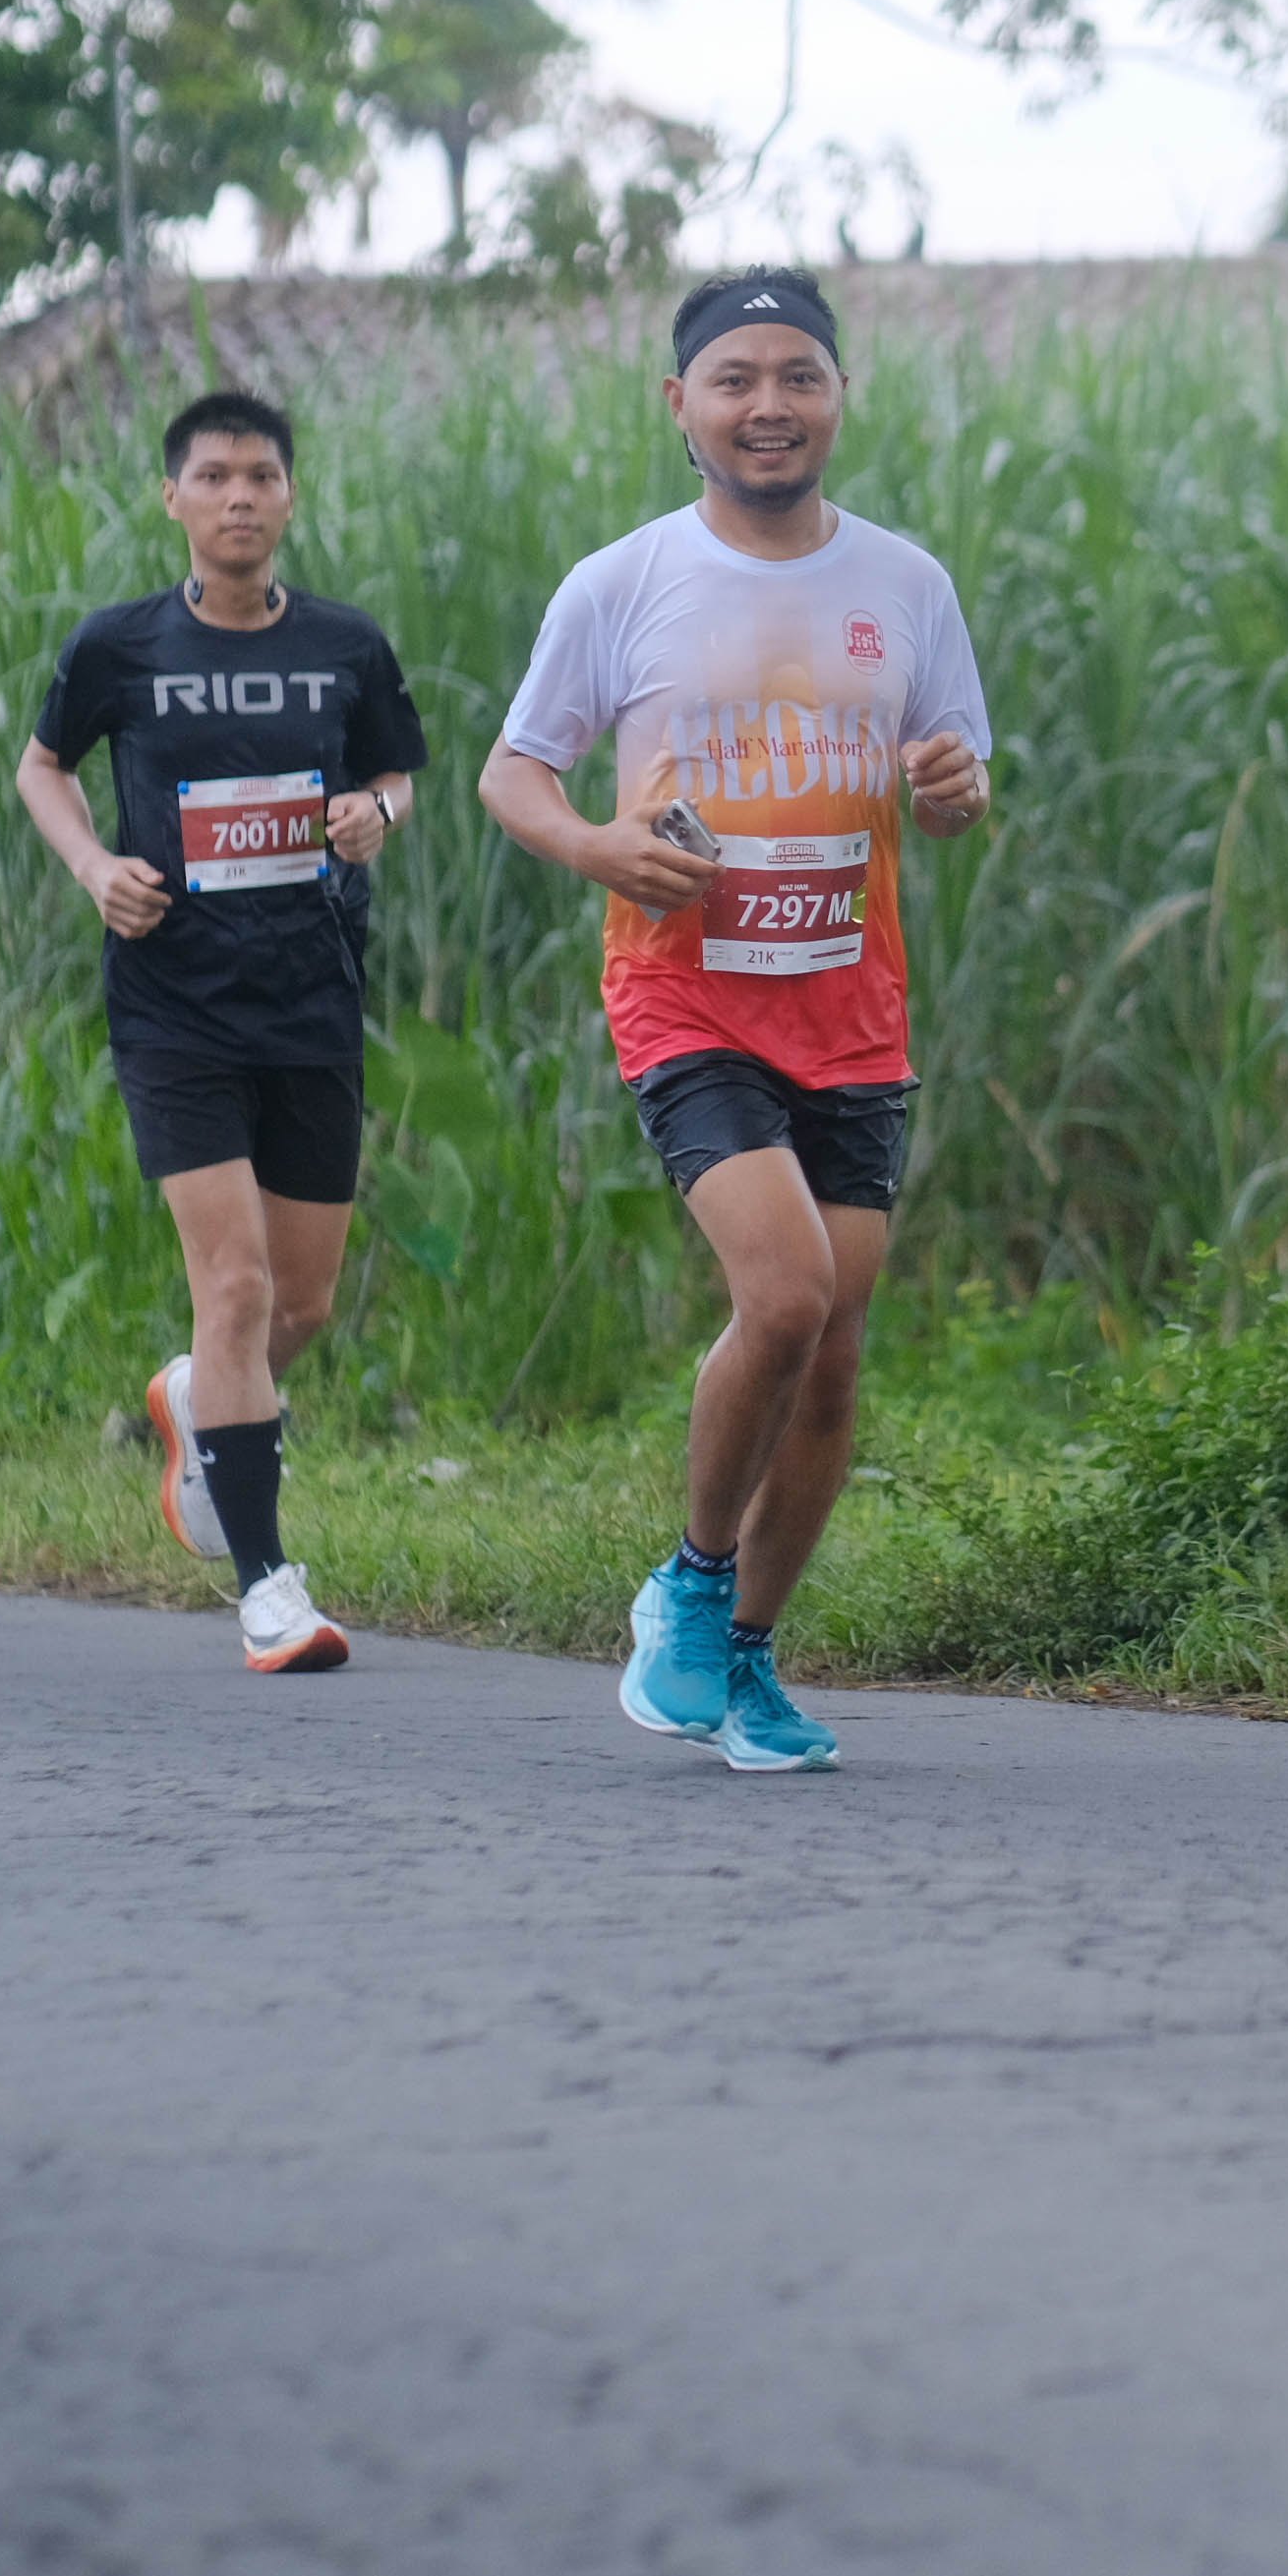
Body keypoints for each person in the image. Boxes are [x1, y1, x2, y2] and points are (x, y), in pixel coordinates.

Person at [480, 267, 993, 1771]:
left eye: (798, 376)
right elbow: (515, 773)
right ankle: (693, 1585)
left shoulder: (907, 585)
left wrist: (953, 789)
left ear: (838, 396)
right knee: (784, 1294)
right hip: (686, 994)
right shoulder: (624, 581)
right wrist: (596, 847)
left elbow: (953, 779)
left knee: (831, 1353)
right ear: (681, 405)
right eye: (736, 379)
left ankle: (751, 1661)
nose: (769, 405)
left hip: (854, 1006)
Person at [16, 388, 426, 1672]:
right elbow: (41, 766)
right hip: (175, 1006)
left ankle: (198, 1396)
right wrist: (95, 868)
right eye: (213, 476)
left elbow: (396, 773)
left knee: (299, 1301)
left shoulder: (346, 646)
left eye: (260, 476)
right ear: (173, 498)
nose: (239, 496)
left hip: (312, 998)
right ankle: (267, 1587)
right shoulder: (120, 646)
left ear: (289, 496)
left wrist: (375, 815)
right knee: (234, 1287)